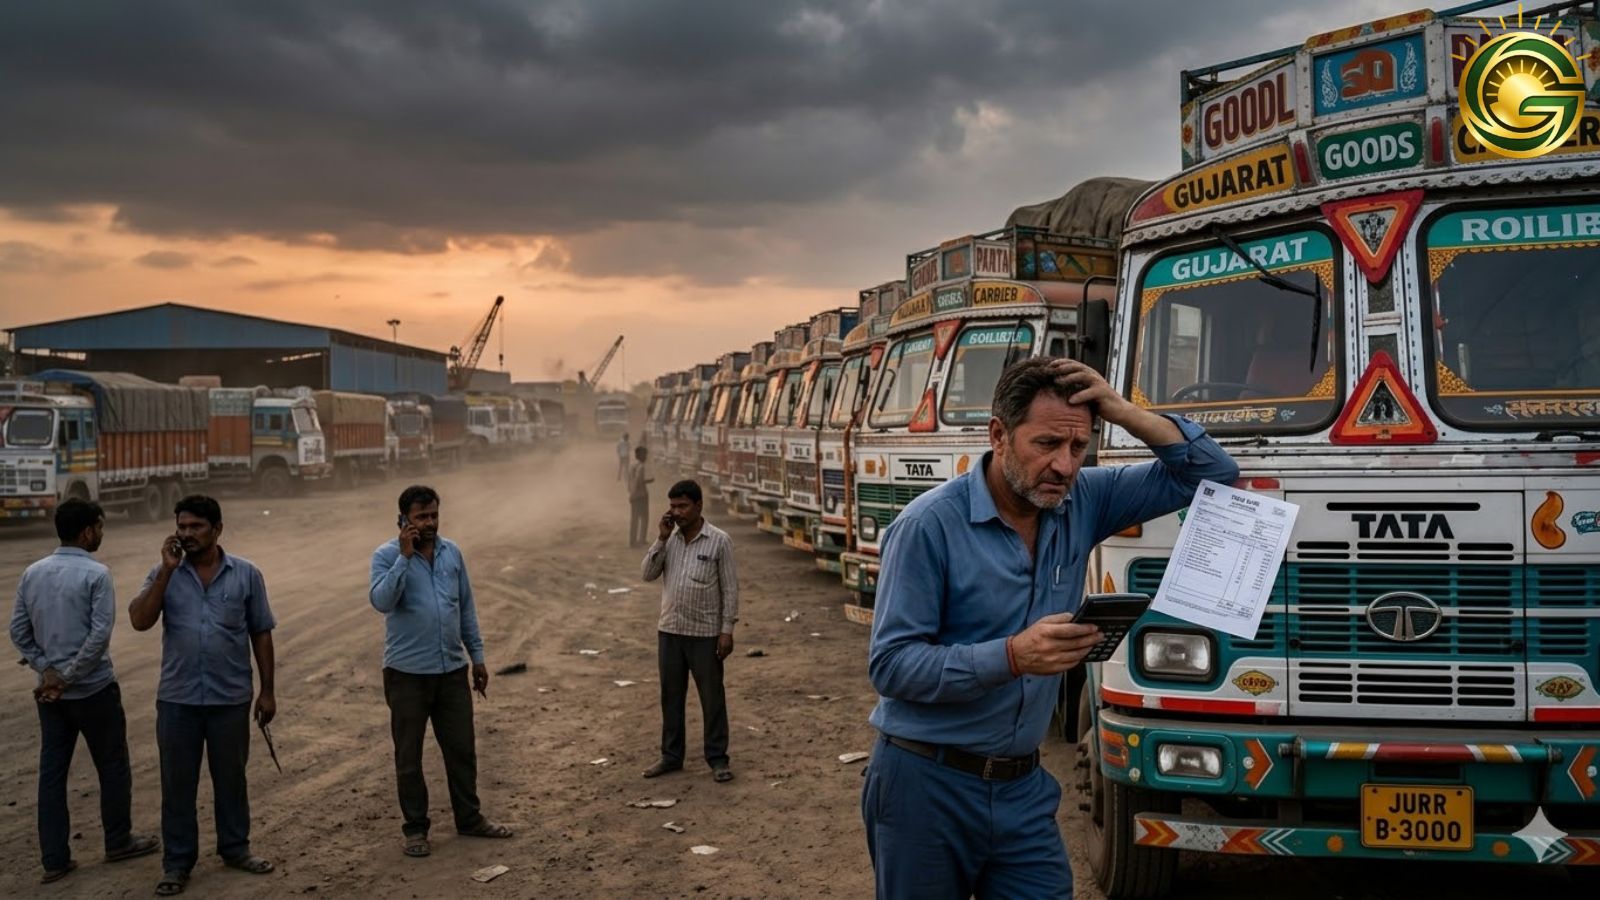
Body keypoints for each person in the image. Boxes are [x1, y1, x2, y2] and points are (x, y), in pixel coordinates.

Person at [861, 358, 1239, 899]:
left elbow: (1213, 472)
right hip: (925, 785)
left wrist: (1122, 410)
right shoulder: (927, 527)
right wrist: (1012, 656)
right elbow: (892, 666)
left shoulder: (1084, 500)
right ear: (999, 435)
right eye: (1046, 444)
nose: (1064, 465)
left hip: (1022, 791)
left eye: (1078, 447)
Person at [129, 495, 277, 897]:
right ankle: (177, 863)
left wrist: (268, 691)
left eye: (196, 526)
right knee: (177, 785)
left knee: (231, 780)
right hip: (178, 700)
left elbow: (261, 632)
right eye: (182, 526)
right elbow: (140, 620)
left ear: (217, 529)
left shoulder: (246, 574)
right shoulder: (165, 573)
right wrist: (165, 571)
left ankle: (236, 849)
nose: (187, 534)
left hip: (230, 699)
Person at [10, 499, 159, 884]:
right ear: (88, 531)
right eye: (100, 527)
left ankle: (54, 860)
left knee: (52, 775)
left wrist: (48, 671)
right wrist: (69, 676)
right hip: (94, 691)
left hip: (51, 697)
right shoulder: (96, 573)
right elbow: (98, 637)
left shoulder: (32, 572)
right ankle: (118, 841)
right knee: (112, 765)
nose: (101, 534)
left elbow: (18, 632)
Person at [369, 485, 513, 858]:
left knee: (461, 750)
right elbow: (381, 601)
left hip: (451, 671)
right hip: (406, 674)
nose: (430, 523)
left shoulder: (452, 553)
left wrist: (477, 657)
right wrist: (404, 558)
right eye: (421, 517)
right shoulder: (385, 556)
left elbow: (465, 608)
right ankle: (416, 829)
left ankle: (470, 818)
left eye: (433, 515)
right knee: (409, 758)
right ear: (403, 520)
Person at [639, 479, 738, 783]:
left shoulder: (719, 541)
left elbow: (730, 589)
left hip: (705, 633)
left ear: (698, 505)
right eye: (672, 506)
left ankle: (718, 759)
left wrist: (726, 630)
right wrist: (660, 538)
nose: (677, 512)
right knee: (671, 697)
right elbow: (647, 574)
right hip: (670, 631)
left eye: (682, 506)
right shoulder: (669, 539)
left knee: (712, 698)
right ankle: (671, 756)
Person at [628, 445, 654, 547]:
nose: (646, 457)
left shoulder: (632, 466)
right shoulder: (641, 467)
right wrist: (649, 481)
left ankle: (632, 540)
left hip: (634, 494)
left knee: (634, 518)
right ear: (640, 455)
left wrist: (631, 493)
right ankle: (641, 539)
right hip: (641, 495)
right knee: (644, 517)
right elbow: (639, 481)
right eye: (644, 455)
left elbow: (630, 481)